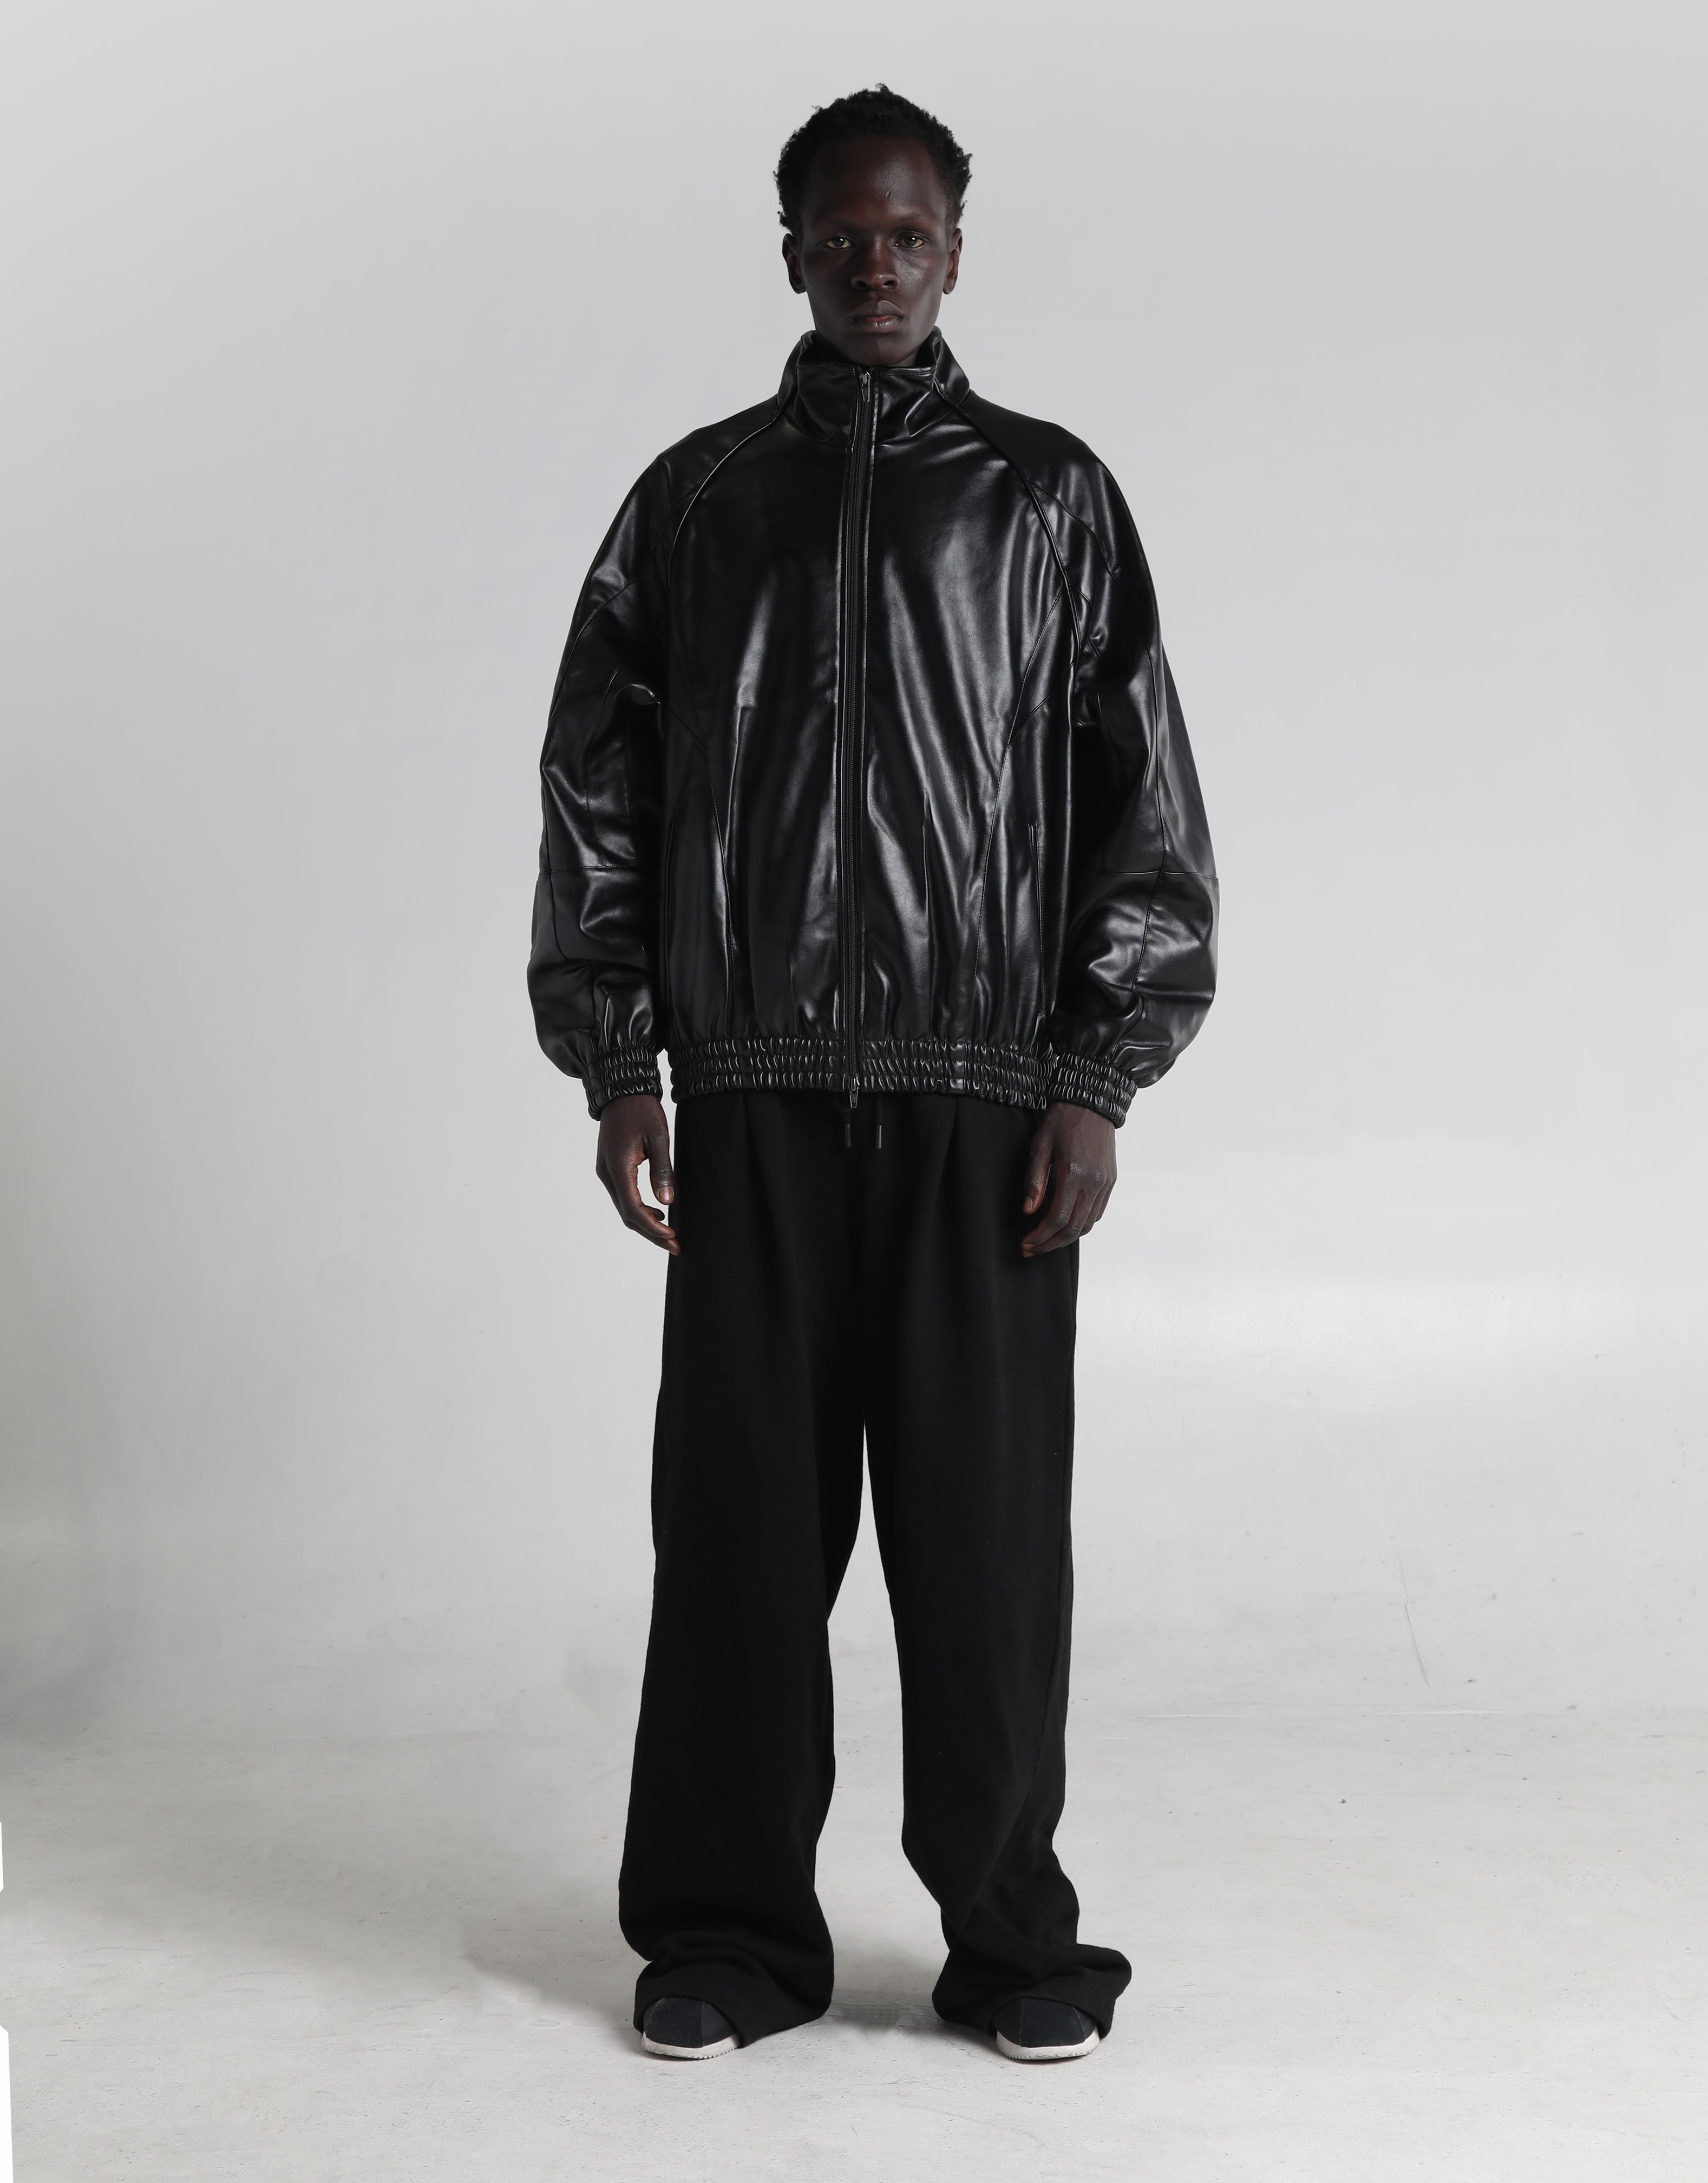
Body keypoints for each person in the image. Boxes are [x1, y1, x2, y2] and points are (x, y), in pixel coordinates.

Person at [528, 85, 1216, 2065]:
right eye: (840, 235)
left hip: (982, 1112)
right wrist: (619, 1060)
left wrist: (1095, 1072)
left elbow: (1139, 797)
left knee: (985, 1550)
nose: (875, 267)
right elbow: (598, 787)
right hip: (746, 1104)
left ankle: (1010, 1944)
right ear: (791, 253)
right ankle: (727, 1937)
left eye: (909, 234)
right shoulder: (697, 503)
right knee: (740, 1544)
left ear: (956, 248)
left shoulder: (1047, 498)